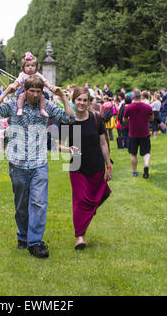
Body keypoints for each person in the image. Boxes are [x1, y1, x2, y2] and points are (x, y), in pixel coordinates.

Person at [0, 75, 75, 259]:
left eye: (38, 91)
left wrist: (63, 96)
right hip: (17, 163)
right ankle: (23, 236)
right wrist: (5, 93)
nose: (35, 94)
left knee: (39, 203)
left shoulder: (47, 106)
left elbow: (69, 119)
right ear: (25, 90)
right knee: (21, 205)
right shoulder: (12, 105)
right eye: (32, 91)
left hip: (39, 162)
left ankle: (35, 243)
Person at [58, 87, 112, 250]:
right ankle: (80, 237)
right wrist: (67, 149)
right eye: (78, 100)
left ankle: (87, 215)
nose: (81, 103)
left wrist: (108, 166)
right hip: (77, 167)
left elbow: (103, 143)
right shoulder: (68, 120)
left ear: (89, 102)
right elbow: (58, 144)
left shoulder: (96, 118)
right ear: (73, 101)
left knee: (96, 198)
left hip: (96, 166)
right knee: (80, 201)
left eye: (84, 100)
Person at [123, 89, 154, 178]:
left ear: (133, 97)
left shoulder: (128, 107)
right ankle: (146, 165)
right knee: (146, 152)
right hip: (145, 132)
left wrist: (130, 119)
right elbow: (152, 118)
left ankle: (134, 172)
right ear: (141, 96)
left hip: (133, 133)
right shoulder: (147, 107)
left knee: (133, 153)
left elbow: (124, 119)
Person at [14, 52, 52, 117]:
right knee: (21, 96)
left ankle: (42, 109)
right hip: (24, 90)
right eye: (27, 66)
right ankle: (20, 109)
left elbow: (44, 80)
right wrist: (15, 85)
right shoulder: (22, 74)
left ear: (36, 67)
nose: (30, 67)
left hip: (35, 90)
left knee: (42, 97)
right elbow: (18, 80)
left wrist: (49, 86)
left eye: (32, 65)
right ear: (23, 67)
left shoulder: (37, 74)